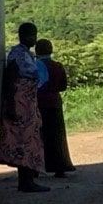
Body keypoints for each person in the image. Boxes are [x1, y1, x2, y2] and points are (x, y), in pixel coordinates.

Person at [0, 22, 48, 193]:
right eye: (31, 35)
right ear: (23, 36)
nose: (34, 38)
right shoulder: (17, 54)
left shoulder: (27, 54)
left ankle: (28, 179)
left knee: (30, 140)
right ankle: (26, 181)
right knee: (23, 141)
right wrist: (11, 104)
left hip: (28, 104)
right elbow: (10, 79)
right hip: (19, 104)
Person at [35, 38, 75, 178]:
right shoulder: (58, 66)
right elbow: (63, 86)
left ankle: (37, 167)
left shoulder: (35, 65)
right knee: (57, 136)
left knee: (39, 136)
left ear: (37, 50)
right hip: (55, 103)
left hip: (39, 104)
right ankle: (60, 167)